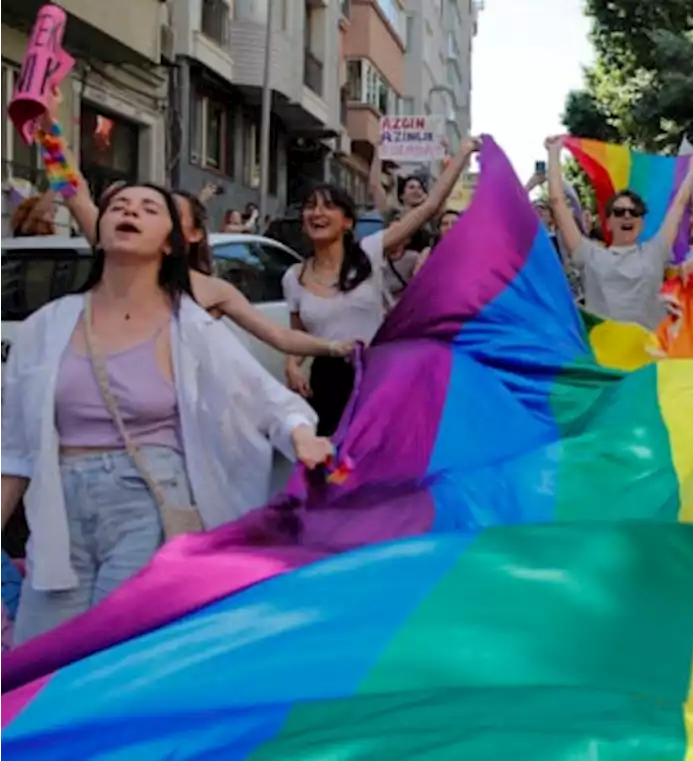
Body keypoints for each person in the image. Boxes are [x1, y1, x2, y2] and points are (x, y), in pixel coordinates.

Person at [0, 183, 332, 643]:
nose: (129, 211)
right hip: (60, 513)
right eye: (118, 206)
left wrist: (302, 435)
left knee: (119, 656)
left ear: (171, 241)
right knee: (40, 660)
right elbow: (14, 452)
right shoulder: (48, 325)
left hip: (149, 503)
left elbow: (261, 396)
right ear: (99, 231)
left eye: (147, 208)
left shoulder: (187, 323)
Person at [36, 86, 348, 361]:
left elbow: (278, 336)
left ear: (193, 234)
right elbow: (73, 192)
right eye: (129, 208)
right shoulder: (115, 249)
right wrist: (49, 127)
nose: (136, 216)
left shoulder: (209, 289)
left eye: (157, 211)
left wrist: (336, 347)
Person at [285, 140, 478, 434]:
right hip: (326, 381)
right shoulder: (293, 277)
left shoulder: (369, 252)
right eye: (311, 207)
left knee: (378, 462)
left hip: (375, 376)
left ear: (348, 222)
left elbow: (428, 208)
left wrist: (463, 154)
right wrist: (292, 365)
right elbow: (297, 334)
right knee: (331, 466)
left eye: (328, 206)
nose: (317, 213)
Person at [544, 135, 693, 329]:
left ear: (641, 223)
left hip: (649, 354)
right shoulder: (588, 254)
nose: (627, 216)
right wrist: (553, 153)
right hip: (604, 354)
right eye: (619, 212)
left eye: (634, 212)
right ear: (608, 223)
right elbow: (557, 204)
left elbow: (679, 205)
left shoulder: (656, 251)